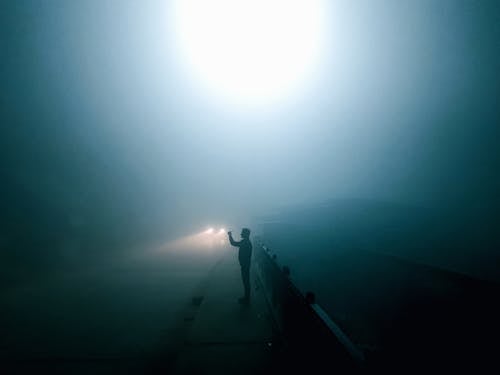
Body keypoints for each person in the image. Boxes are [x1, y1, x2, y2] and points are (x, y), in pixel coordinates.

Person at [228, 228, 252, 304]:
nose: (241, 234)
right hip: (246, 265)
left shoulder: (245, 243)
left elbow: (233, 243)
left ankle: (246, 299)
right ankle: (247, 297)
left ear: (245, 234)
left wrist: (230, 236)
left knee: (246, 282)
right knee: (246, 281)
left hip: (245, 265)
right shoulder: (247, 242)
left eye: (242, 233)